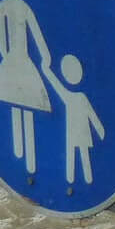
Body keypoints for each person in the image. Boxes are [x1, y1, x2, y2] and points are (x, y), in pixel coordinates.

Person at [0, 0, 52, 172]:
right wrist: (43, 56)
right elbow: (3, 36)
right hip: (18, 61)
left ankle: (26, 162)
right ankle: (24, 160)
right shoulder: (8, 6)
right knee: (20, 105)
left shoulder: (9, 5)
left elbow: (34, 33)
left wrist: (43, 55)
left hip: (17, 60)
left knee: (24, 104)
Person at [44, 54, 104, 186]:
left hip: (80, 131)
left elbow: (91, 114)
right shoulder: (74, 97)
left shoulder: (76, 97)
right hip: (75, 131)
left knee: (79, 154)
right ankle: (75, 180)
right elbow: (57, 87)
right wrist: (46, 71)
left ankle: (82, 180)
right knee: (75, 154)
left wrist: (99, 129)